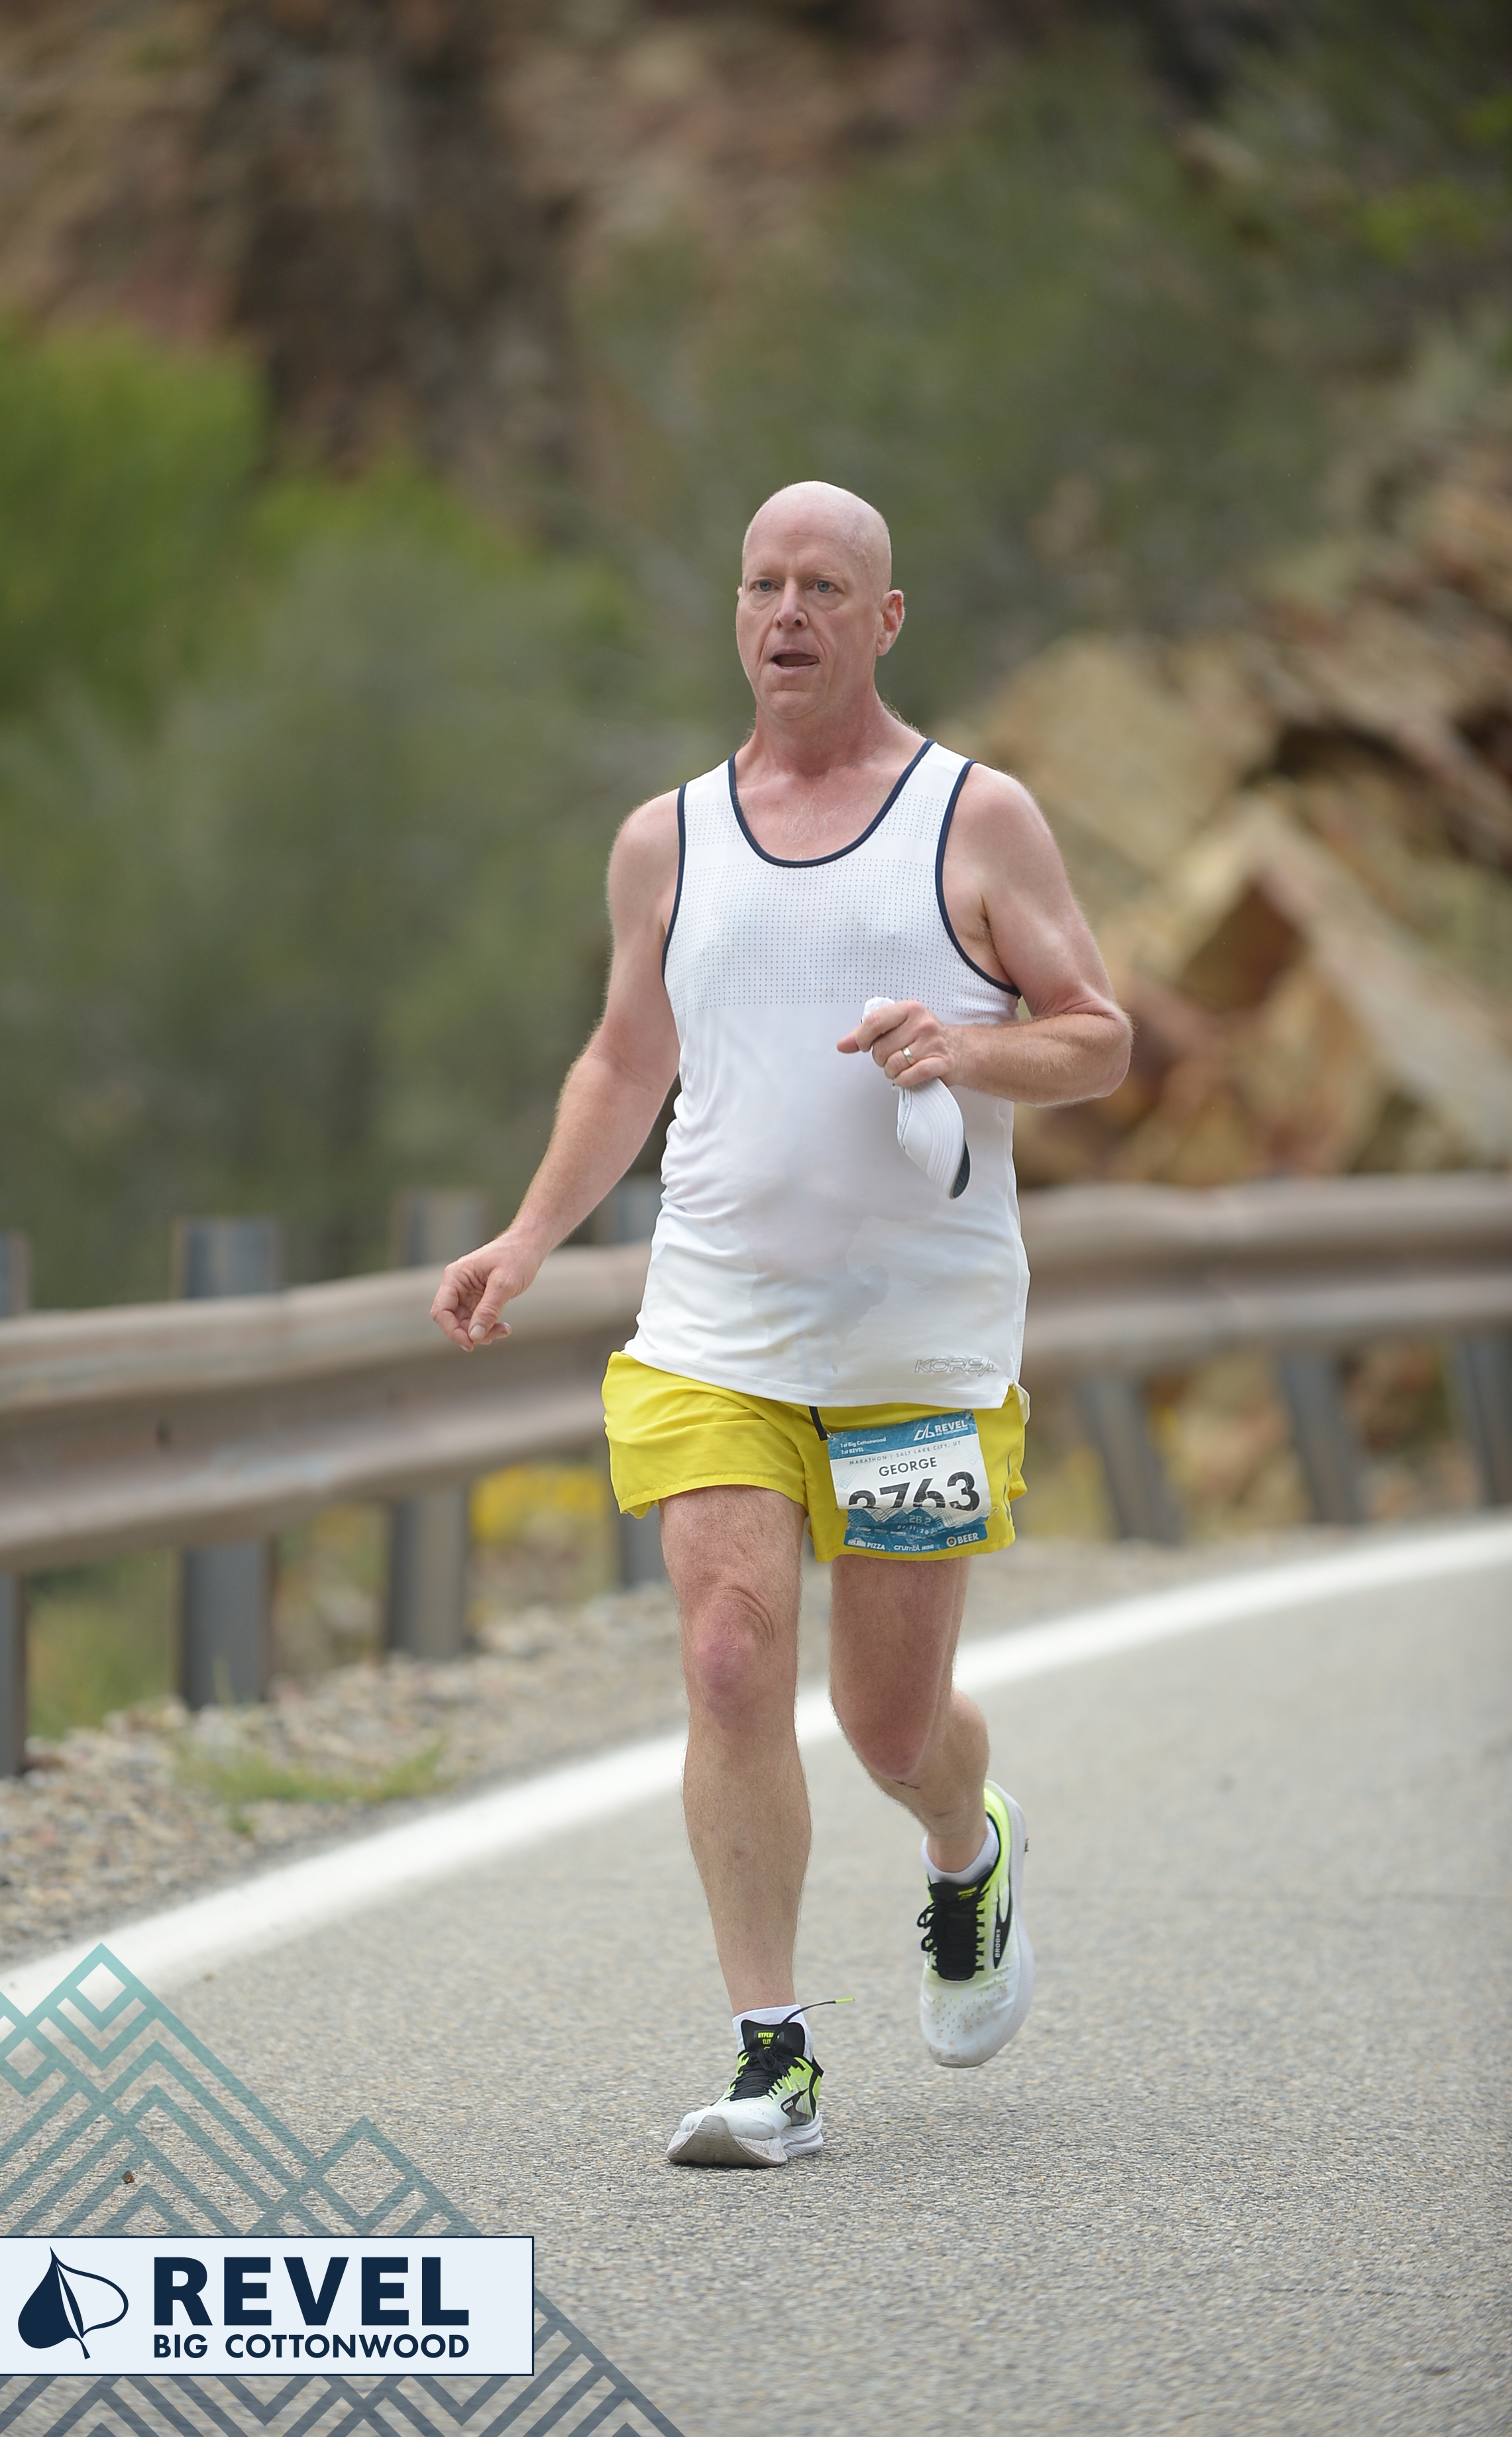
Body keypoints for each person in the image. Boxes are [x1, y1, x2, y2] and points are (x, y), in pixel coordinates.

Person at [431, 481, 1131, 2168]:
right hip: (717, 1326)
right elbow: (626, 1059)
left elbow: (1099, 1035)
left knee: (890, 1724)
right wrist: (530, 1233)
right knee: (729, 1653)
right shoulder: (666, 840)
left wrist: (968, 1048)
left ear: (884, 620)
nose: (788, 613)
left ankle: (965, 1848)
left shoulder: (974, 818)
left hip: (915, 1353)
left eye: (824, 586)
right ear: (735, 612)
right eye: (763, 584)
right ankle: (774, 2057)